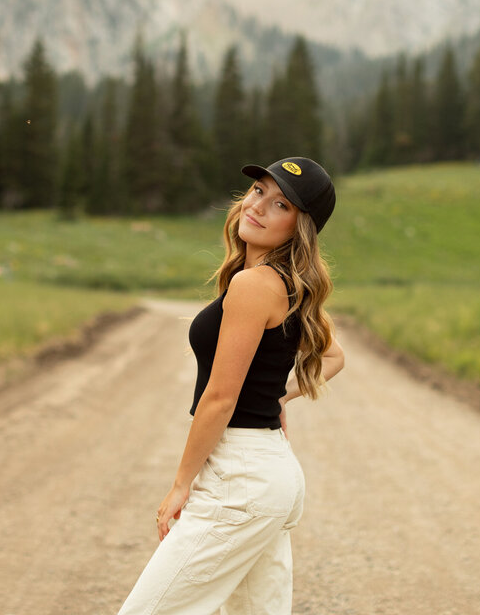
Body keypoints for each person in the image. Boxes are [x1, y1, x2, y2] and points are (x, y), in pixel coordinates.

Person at [118, 157, 346, 615]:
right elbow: (335, 357)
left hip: (239, 482)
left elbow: (219, 399)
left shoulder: (254, 285)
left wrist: (181, 483)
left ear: (299, 228)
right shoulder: (287, 285)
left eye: (279, 204)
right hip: (267, 476)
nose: (258, 206)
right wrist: (275, 397)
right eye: (259, 190)